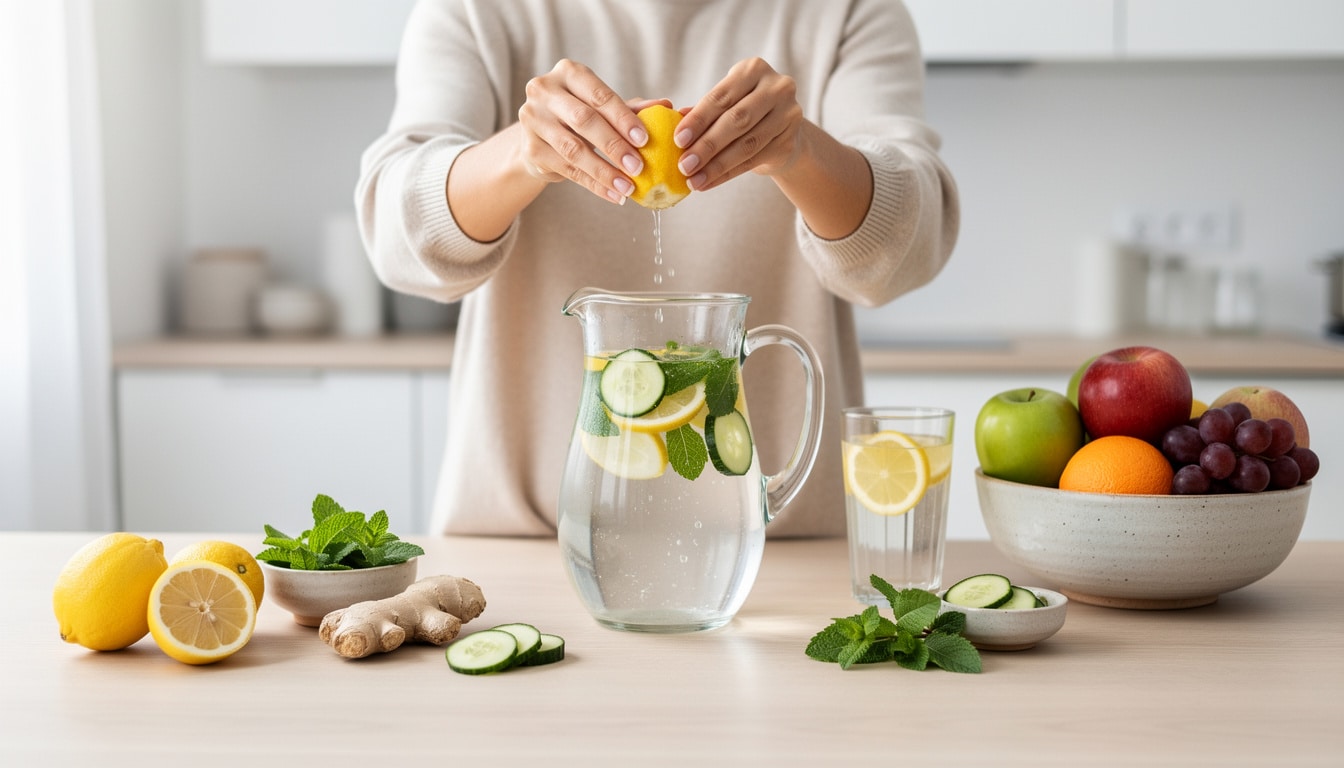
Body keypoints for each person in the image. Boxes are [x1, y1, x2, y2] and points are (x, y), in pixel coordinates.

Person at [356, 0, 959, 537]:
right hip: (522, 541)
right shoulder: (479, 12)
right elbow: (397, 237)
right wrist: (525, 151)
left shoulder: (848, 12)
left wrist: (799, 151)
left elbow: (906, 251)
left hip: (776, 544)